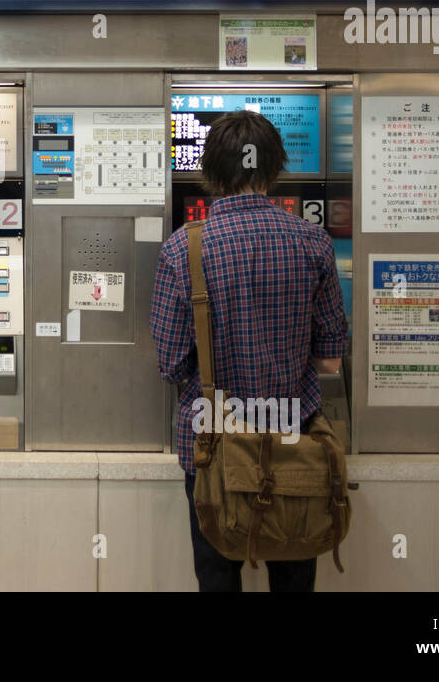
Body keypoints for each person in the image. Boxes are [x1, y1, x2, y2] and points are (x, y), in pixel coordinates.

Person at [150, 110, 348, 592]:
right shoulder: (314, 243)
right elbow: (330, 361)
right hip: (293, 441)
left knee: (217, 576)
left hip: (212, 444)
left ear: (211, 173)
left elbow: (171, 362)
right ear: (273, 170)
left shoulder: (183, 250)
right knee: (295, 571)